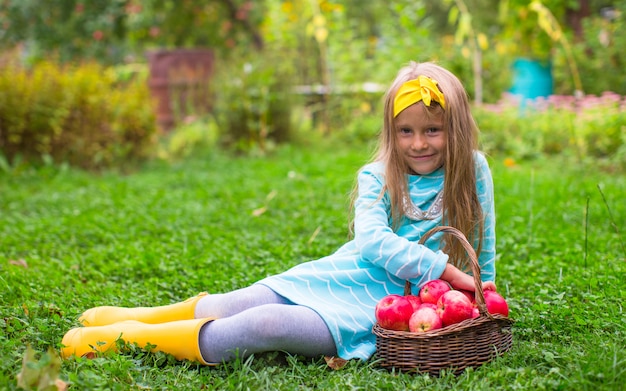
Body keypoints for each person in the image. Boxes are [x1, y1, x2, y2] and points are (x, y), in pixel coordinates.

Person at [61, 61, 497, 365]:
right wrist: (445, 269)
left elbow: (483, 241)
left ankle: (129, 340)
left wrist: (483, 292)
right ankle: (127, 322)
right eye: (406, 131)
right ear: (391, 132)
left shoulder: (473, 169)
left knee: (265, 323)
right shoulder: (379, 174)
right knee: (239, 301)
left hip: (382, 306)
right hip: (347, 274)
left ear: (454, 129)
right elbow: (371, 240)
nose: (418, 143)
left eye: (432, 131)